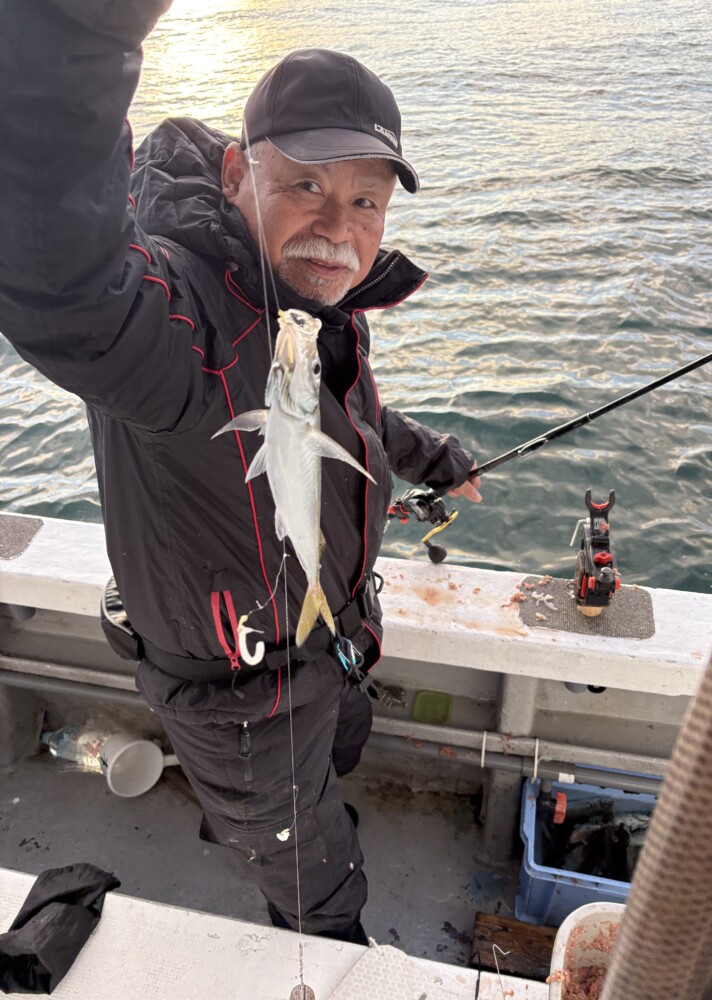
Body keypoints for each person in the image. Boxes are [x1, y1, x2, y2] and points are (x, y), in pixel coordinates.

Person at [0, 3, 481, 944]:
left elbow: (340, 417)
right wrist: (80, 23)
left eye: (365, 200)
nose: (336, 229)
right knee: (316, 877)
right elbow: (58, 278)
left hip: (334, 640)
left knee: (341, 753)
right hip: (243, 703)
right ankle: (322, 943)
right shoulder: (171, 320)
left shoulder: (305, 301)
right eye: (303, 183)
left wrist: (430, 456)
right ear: (234, 172)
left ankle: (267, 822)